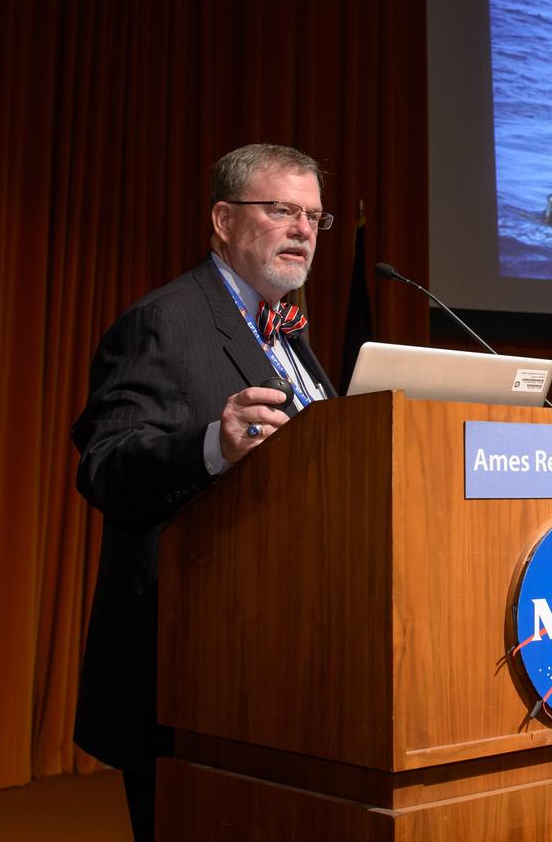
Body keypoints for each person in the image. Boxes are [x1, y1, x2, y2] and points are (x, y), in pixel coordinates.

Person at [71, 143, 338, 842]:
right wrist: (211, 444)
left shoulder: (289, 332)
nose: (303, 228)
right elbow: (104, 464)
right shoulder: (167, 319)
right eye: (281, 208)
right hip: (190, 667)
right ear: (223, 219)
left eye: (313, 214)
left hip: (290, 654)